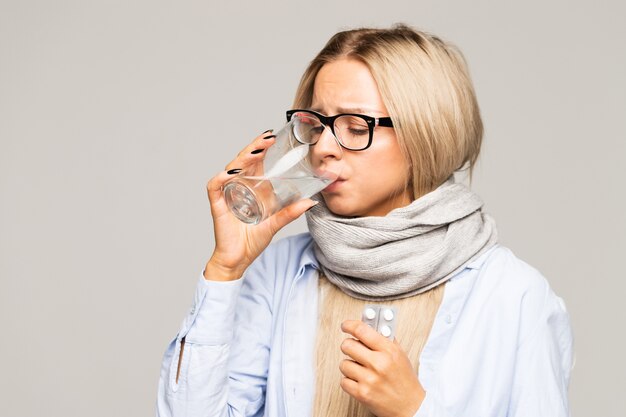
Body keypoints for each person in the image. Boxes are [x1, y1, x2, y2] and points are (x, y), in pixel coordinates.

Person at [156, 24, 573, 417]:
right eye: (316, 125)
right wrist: (225, 269)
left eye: (356, 127)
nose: (324, 148)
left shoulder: (514, 296)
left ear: (426, 134)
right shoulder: (280, 270)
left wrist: (414, 410)